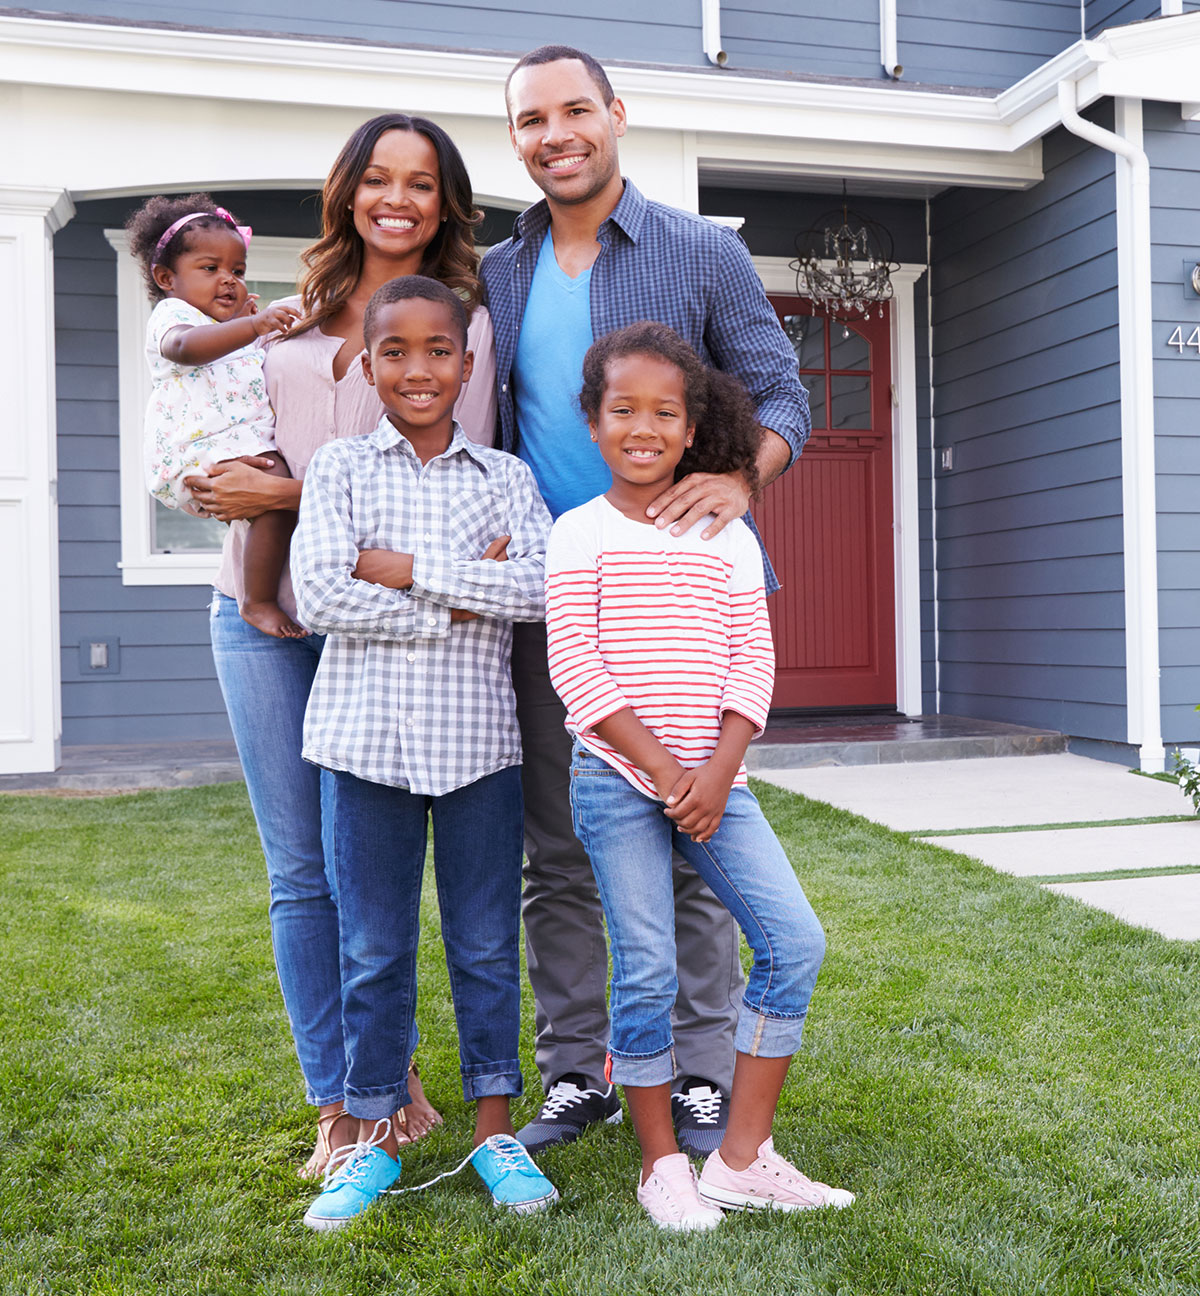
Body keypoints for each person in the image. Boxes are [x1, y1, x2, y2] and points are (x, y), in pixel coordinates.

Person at [480, 44, 810, 1156]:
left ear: (617, 115)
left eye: (576, 109)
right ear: (516, 138)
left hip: (690, 596)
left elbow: (781, 393)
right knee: (561, 848)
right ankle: (579, 1073)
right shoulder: (500, 271)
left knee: (698, 842)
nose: (556, 132)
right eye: (532, 119)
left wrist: (740, 474)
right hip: (563, 597)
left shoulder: (699, 251)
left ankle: (704, 1074)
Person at [183, 114, 497, 1177]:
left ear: (445, 202)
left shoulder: (467, 327)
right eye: (376, 178)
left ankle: (388, 1074)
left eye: (419, 182)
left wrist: (280, 489)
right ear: (347, 192)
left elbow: (448, 495)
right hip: (259, 617)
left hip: (382, 634)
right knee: (299, 873)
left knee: (377, 873)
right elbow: (219, 444)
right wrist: (217, 483)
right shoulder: (282, 315)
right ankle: (344, 1099)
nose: (395, 198)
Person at [545, 322, 853, 1229]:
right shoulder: (578, 534)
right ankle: (660, 1166)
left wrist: (718, 773)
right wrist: (667, 772)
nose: (643, 426)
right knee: (647, 968)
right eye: (623, 409)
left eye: (664, 412)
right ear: (593, 424)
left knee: (793, 944)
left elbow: (750, 662)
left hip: (720, 781)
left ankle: (742, 1159)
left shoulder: (728, 534)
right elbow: (578, 669)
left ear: (691, 429)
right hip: (617, 779)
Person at [293, 275, 556, 1231]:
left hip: (478, 748)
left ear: (467, 362)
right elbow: (321, 595)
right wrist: (457, 594)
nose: (417, 369)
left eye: (438, 351)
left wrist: (403, 573)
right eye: (394, 352)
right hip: (363, 748)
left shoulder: (507, 481)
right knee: (372, 947)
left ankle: (495, 1130)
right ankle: (368, 1136)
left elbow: (535, 590)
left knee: (487, 944)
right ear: (368, 365)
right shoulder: (338, 471)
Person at [127, 194, 304, 639]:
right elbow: (185, 349)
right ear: (167, 278)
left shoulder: (231, 328)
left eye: (238, 272)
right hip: (198, 447)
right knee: (274, 495)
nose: (228, 281)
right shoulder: (174, 316)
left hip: (236, 442)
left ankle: (262, 592)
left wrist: (244, 327)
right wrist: (252, 325)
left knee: (274, 496)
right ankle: (256, 600)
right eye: (210, 269)